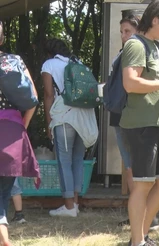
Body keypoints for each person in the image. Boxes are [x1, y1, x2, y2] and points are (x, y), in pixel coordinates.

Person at [119, 0, 159, 246]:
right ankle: (138, 242)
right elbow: (130, 83)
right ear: (155, 20)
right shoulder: (136, 45)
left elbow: (153, 85)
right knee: (143, 185)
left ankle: (140, 236)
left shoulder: (154, 46)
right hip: (140, 125)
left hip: (157, 123)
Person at [42, 39, 98, 217]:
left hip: (63, 116)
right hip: (83, 117)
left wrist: (48, 121)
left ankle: (68, 207)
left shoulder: (49, 64)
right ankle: (74, 203)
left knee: (64, 160)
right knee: (77, 160)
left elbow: (48, 94)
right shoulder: (78, 63)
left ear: (48, 52)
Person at [0, 20, 39, 246]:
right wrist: (21, 125)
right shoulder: (14, 61)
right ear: (3, 38)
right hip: (12, 134)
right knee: (3, 194)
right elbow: (32, 100)